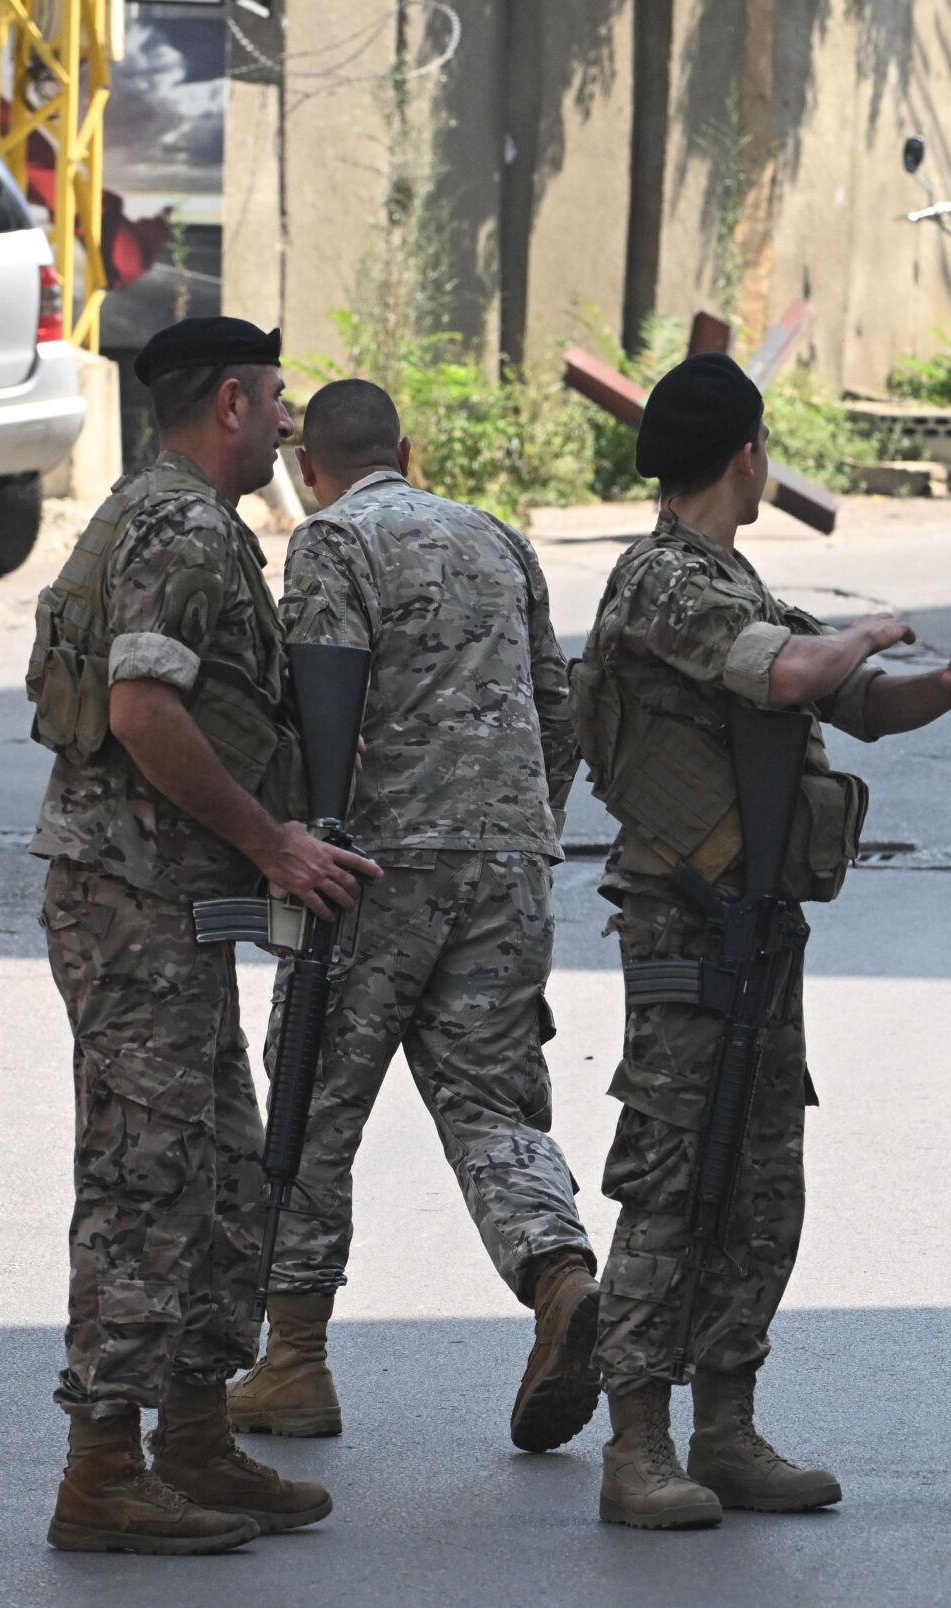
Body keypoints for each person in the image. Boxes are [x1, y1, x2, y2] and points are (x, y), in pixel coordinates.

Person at [577, 353, 951, 1529]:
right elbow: (796, 673)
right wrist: (871, 627)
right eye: (765, 450)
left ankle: (724, 1428)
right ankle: (635, 1446)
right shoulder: (661, 585)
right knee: (672, 1177)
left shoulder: (729, 577)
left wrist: (945, 681)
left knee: (761, 1177)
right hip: (684, 927)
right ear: (744, 455)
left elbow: (854, 701)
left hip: (757, 933)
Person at [24, 316, 378, 1553]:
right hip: (128, 900)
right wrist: (275, 841)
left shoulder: (182, 515)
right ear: (228, 403)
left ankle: (191, 1439)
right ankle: (103, 1469)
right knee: (147, 1177)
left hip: (163, 900)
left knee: (225, 1164)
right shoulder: (179, 526)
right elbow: (139, 709)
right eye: (276, 399)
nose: (291, 422)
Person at [224, 379, 604, 1454]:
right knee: (493, 1106)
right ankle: (560, 1277)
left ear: (309, 468)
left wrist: (306, 840)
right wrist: (521, 832)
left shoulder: (328, 544)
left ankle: (293, 1362)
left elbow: (322, 708)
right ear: (411, 448)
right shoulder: (497, 538)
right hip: (508, 863)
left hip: (372, 872)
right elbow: (557, 707)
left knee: (312, 1105)